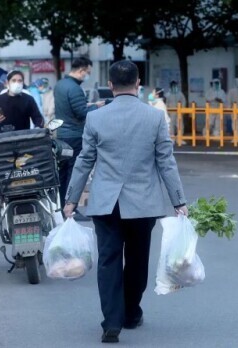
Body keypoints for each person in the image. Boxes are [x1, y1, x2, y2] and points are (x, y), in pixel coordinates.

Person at [63, 60, 188, 344]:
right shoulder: (154, 117)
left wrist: (71, 199)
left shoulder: (96, 118)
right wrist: (178, 200)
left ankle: (111, 322)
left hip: (106, 203)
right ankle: (131, 313)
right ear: (138, 84)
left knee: (108, 262)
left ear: (110, 86)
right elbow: (166, 162)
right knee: (137, 260)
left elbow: (84, 161)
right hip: (143, 203)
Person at [54, 57, 105, 221]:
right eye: (88, 72)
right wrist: (96, 108)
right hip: (75, 136)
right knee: (73, 174)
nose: (87, 76)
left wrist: (91, 105)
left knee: (63, 174)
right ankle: (71, 210)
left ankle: (62, 207)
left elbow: (72, 108)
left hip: (62, 135)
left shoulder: (60, 85)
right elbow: (81, 113)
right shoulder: (75, 88)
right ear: (81, 70)